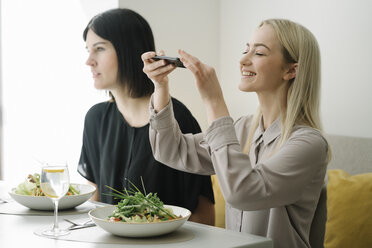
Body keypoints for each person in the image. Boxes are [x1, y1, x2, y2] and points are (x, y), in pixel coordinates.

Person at [142, 19, 330, 247]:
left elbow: (243, 192)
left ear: (291, 70)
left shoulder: (309, 144)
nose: (243, 60)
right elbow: (170, 150)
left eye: (259, 53)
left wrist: (214, 101)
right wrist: (160, 86)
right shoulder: (243, 129)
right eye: (245, 50)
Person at [77, 8, 215, 225]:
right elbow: (95, 208)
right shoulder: (95, 119)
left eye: (99, 49)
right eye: (88, 50)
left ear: (128, 50)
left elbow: (205, 217)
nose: (89, 61)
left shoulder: (176, 118)